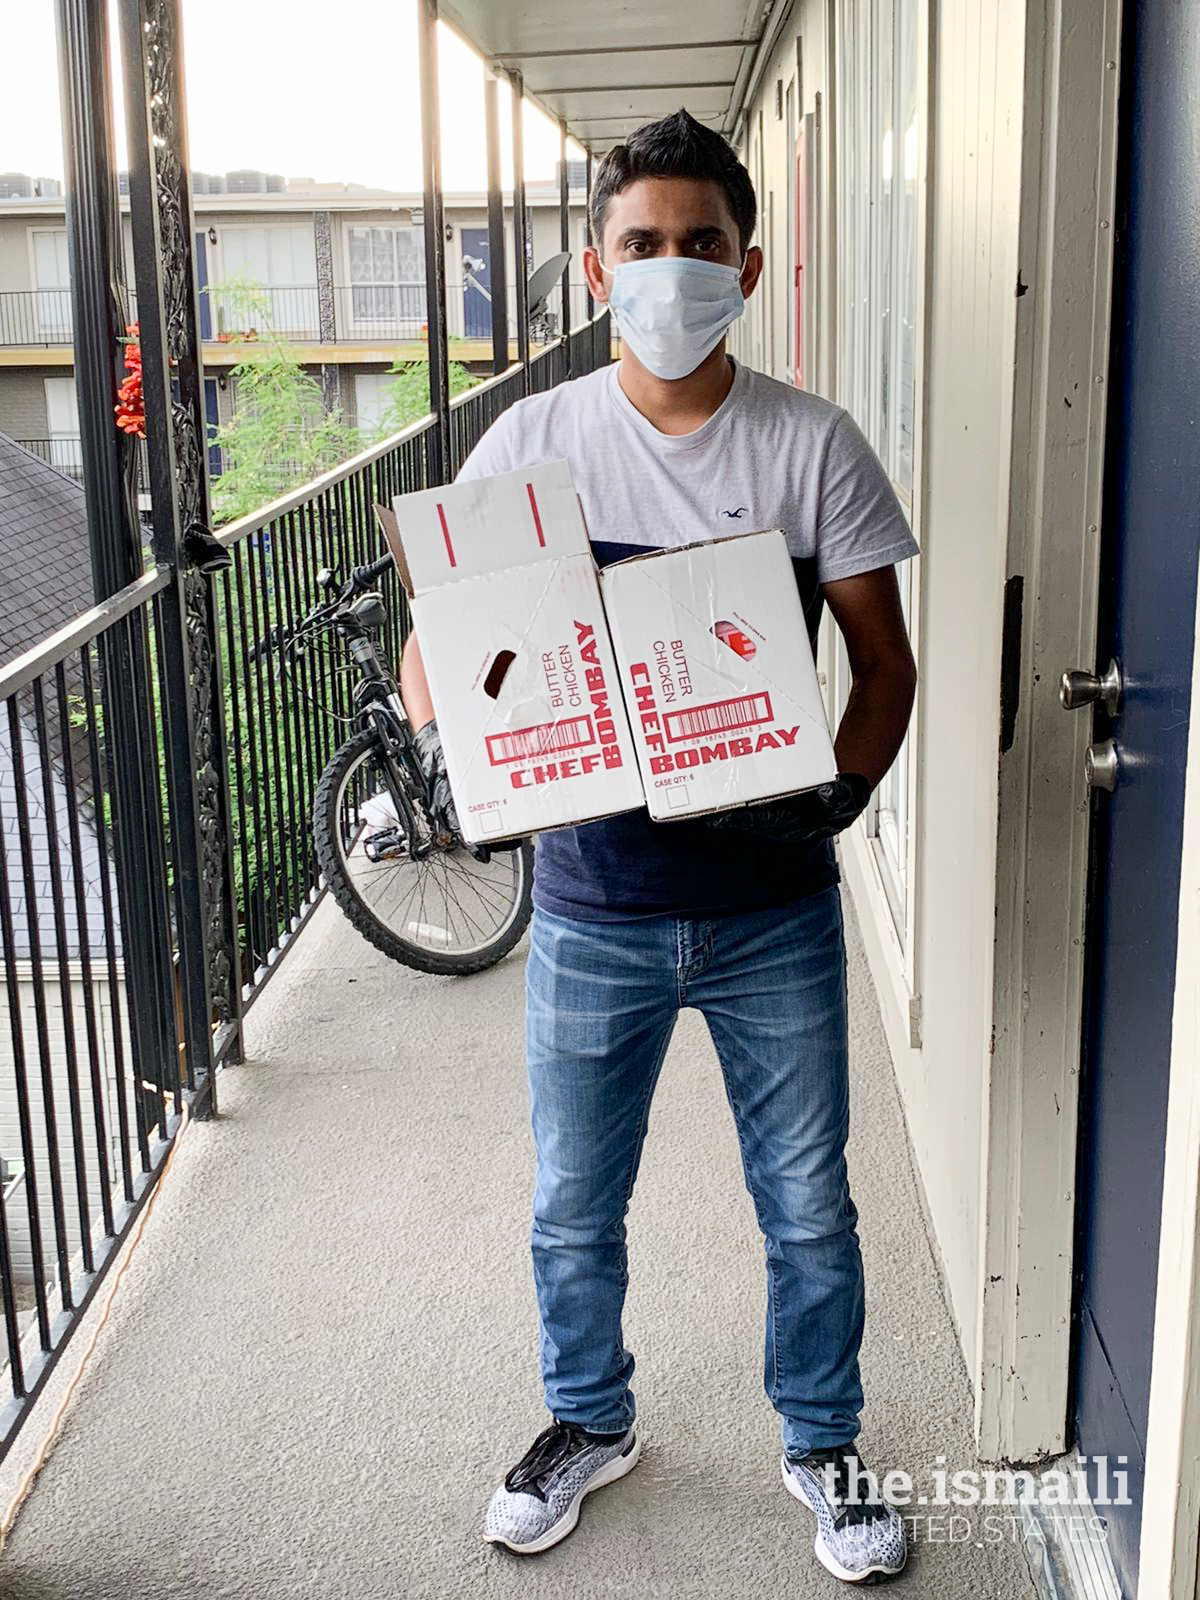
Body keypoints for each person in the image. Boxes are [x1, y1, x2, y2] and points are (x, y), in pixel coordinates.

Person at [400, 108, 918, 1585]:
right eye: (644, 247)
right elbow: (448, 654)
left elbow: (882, 663)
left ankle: (822, 1440)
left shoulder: (813, 445)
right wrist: (467, 744)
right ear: (594, 268)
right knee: (574, 1205)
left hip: (774, 908)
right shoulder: (533, 444)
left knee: (809, 1201)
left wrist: (846, 791)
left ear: (748, 264)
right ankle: (588, 1422)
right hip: (590, 905)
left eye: (702, 244)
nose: (673, 269)